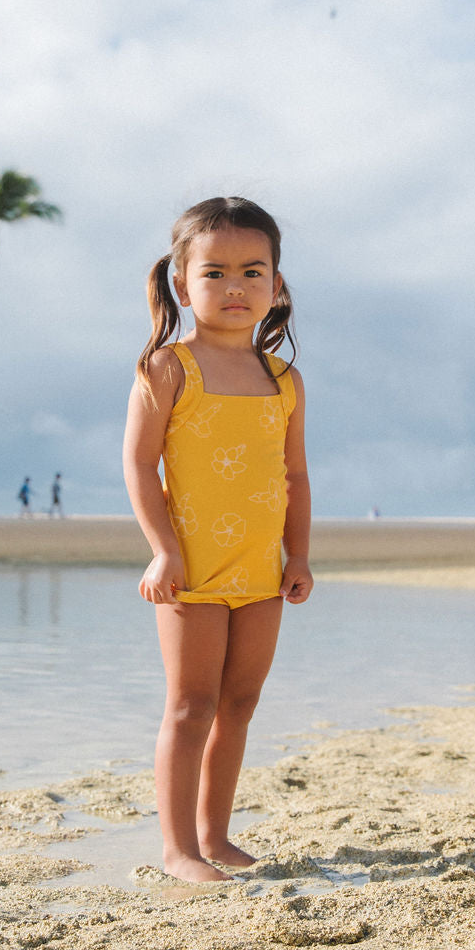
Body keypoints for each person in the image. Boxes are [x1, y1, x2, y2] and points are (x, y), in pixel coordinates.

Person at [123, 196, 312, 884]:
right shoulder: (169, 368)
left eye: (252, 271)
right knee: (191, 704)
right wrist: (163, 550)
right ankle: (178, 850)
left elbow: (293, 475)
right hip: (192, 569)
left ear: (277, 285)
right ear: (182, 283)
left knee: (240, 703)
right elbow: (140, 465)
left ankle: (216, 836)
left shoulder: (283, 380)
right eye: (216, 273)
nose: (235, 287)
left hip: (261, 568)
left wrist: (300, 556)